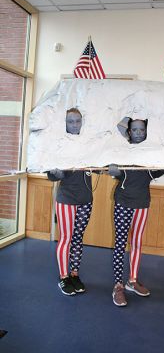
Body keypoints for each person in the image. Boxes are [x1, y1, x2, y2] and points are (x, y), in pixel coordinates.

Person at [109, 118, 164, 307]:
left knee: (136, 243)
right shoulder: (121, 151)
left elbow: (163, 167)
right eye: (134, 129)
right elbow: (113, 170)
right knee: (120, 242)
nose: (138, 132)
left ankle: (132, 281)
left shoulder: (151, 154)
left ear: (146, 131)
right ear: (129, 131)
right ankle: (118, 285)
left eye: (141, 129)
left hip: (142, 204)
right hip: (123, 202)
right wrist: (112, 170)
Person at [47, 108, 93, 296]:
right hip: (66, 198)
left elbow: (98, 167)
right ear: (64, 123)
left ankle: (74, 274)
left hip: (86, 199)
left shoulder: (89, 144)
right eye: (70, 121)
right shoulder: (59, 144)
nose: (75, 125)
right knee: (66, 238)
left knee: (77, 238)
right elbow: (50, 173)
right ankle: (63, 277)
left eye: (78, 121)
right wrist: (55, 174)